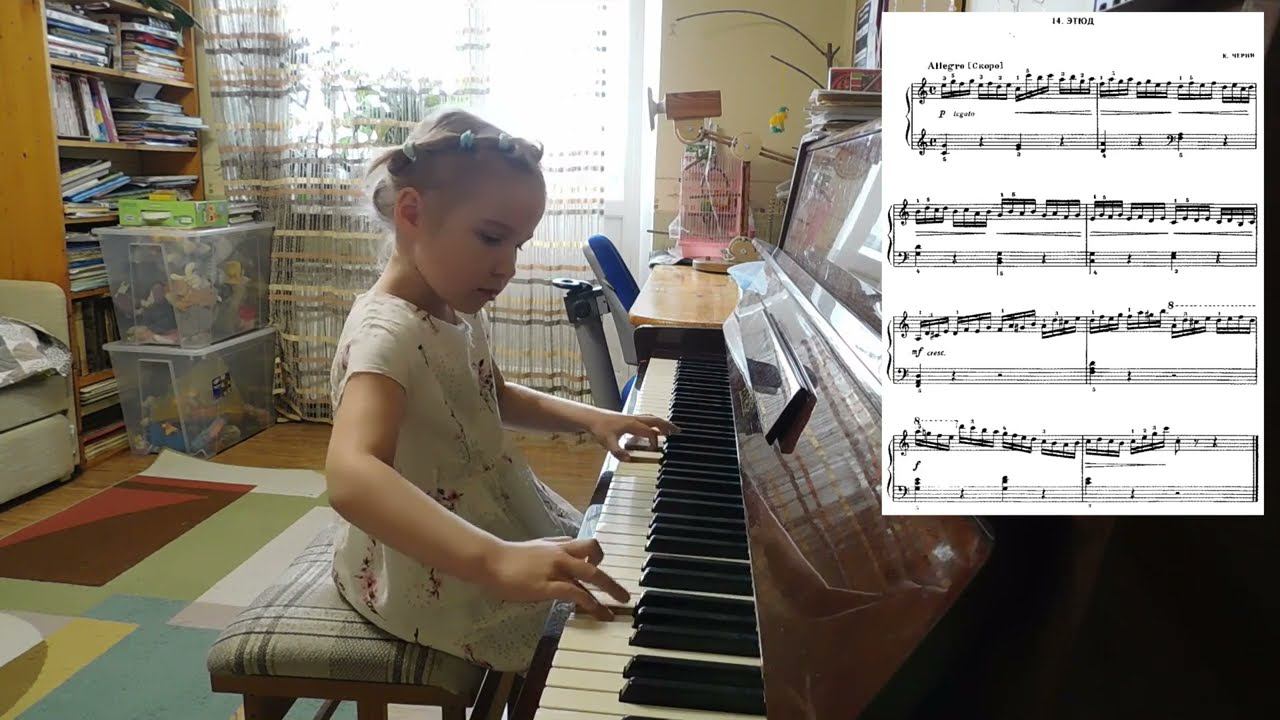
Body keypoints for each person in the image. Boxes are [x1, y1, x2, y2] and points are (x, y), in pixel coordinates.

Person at [324, 108, 677, 672]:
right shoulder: (386, 335)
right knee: (584, 643)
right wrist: (494, 560)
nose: (507, 266)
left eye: (518, 245)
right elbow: (351, 473)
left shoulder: (454, 305)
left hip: (489, 512)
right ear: (412, 212)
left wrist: (592, 418)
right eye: (491, 238)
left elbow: (492, 394)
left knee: (607, 578)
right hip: (430, 560)